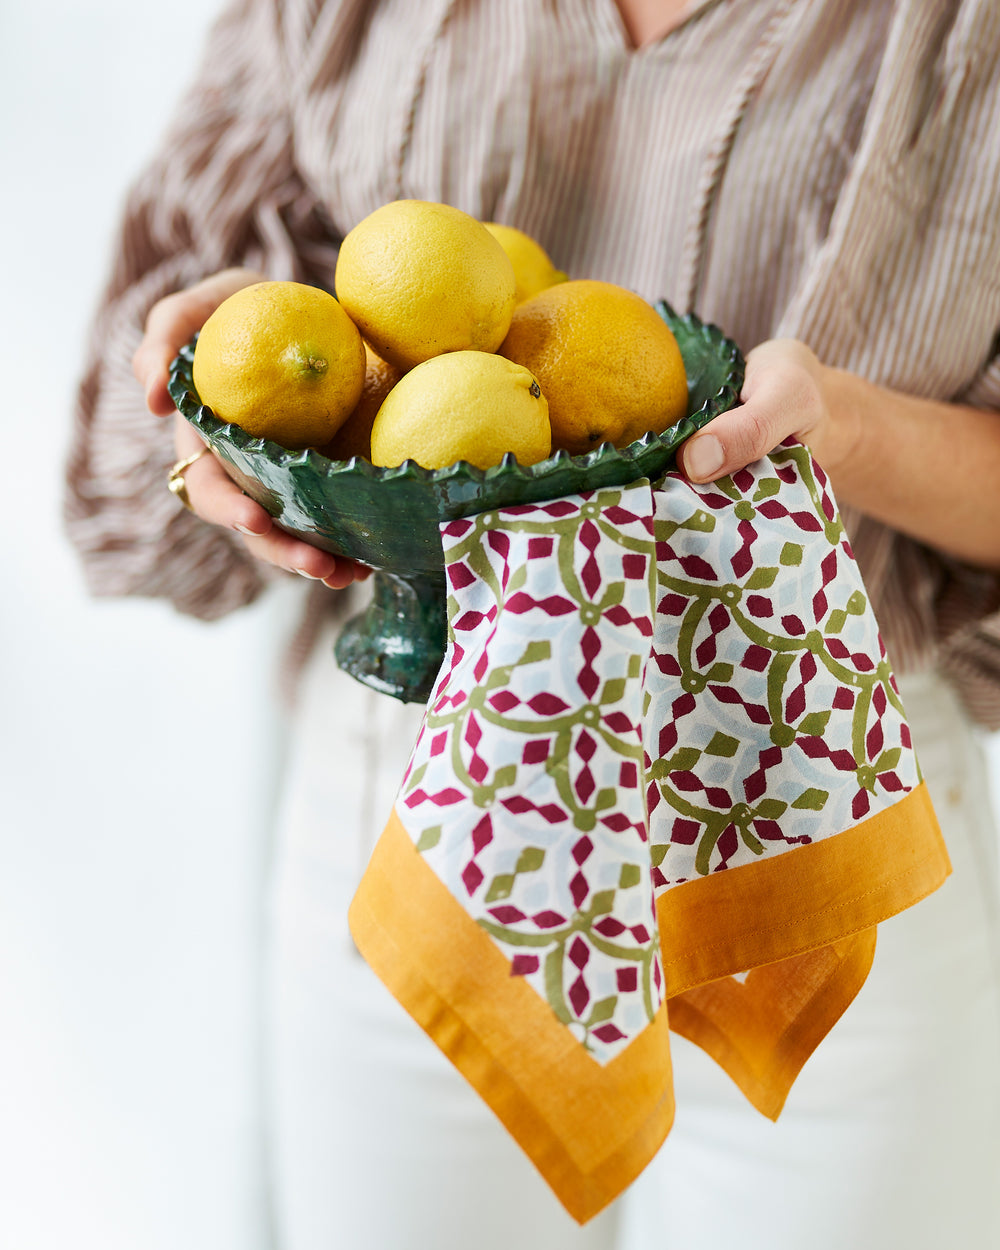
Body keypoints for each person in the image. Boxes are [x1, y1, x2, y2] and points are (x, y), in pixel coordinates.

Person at [66, 1, 1000, 1247]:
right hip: (422, 781)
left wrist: (845, 426)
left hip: (805, 784)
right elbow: (154, 414)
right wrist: (233, 387)